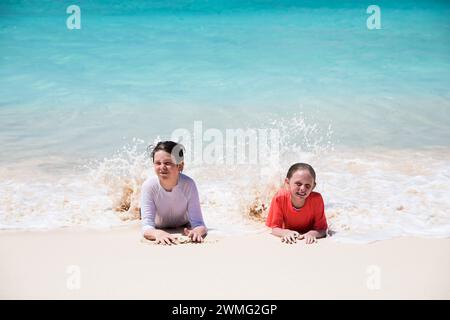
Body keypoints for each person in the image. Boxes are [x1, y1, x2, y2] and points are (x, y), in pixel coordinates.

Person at [141, 141, 207, 245]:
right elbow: (146, 226)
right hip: (159, 226)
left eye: (167, 163)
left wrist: (196, 232)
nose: (162, 167)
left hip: (183, 223)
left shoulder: (188, 184)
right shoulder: (149, 186)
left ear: (180, 165)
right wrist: (157, 233)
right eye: (158, 163)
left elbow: (199, 223)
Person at [266, 163, 327, 244]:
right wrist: (285, 232)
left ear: (313, 186)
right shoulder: (280, 198)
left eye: (308, 185)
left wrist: (312, 233)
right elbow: (274, 228)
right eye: (298, 184)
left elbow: (322, 229)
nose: (302, 189)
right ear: (287, 182)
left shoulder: (316, 200)